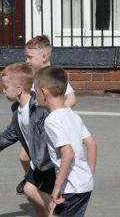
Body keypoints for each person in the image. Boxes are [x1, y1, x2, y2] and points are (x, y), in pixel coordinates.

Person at [0, 62, 56, 217]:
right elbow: (9, 134)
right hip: (37, 163)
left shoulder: (39, 110)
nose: (3, 90)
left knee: (31, 191)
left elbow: (50, 138)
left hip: (48, 164)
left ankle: (60, 211)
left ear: (18, 90)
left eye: (5, 87)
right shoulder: (17, 111)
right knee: (31, 196)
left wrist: (45, 163)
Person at [16, 35, 77, 195]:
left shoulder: (55, 75)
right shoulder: (33, 78)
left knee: (51, 158)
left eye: (30, 57)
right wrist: (19, 117)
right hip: (35, 127)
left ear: (43, 57)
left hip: (50, 127)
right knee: (24, 157)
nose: (27, 61)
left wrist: (55, 111)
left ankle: (54, 185)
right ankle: (30, 177)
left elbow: (71, 98)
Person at [34, 65, 97, 217]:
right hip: (83, 185)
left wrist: (57, 186)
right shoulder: (72, 115)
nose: (35, 95)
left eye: (35, 91)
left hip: (71, 188)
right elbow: (92, 144)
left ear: (44, 92)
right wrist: (88, 176)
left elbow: (68, 153)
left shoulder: (52, 120)